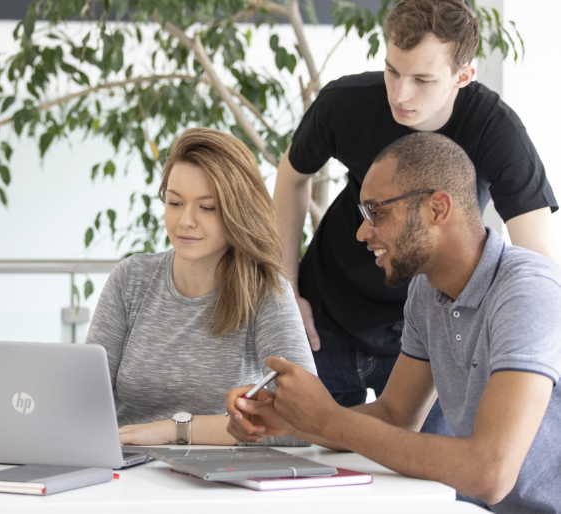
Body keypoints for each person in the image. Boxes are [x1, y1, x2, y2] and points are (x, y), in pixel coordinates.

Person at [273, 0, 558, 434]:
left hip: (431, 338)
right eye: (392, 71)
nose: (401, 94)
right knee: (300, 465)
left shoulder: (498, 132)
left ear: (463, 76)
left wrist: (495, 349)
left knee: (429, 486)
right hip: (326, 320)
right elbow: (291, 179)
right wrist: (285, 290)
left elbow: (539, 266)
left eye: (423, 80)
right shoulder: (345, 104)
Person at [227, 133, 561, 512]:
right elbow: (395, 417)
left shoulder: (528, 290)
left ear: (438, 208)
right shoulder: (426, 291)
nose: (361, 231)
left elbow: (490, 473)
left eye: (377, 212)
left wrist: (327, 419)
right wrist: (289, 422)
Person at [86, 127, 316, 446]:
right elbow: (83, 399)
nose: (186, 221)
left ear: (238, 210)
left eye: (206, 207)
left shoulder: (266, 290)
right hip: (126, 472)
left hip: (220, 483)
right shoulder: (130, 279)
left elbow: (305, 423)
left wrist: (172, 430)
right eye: (175, 202)